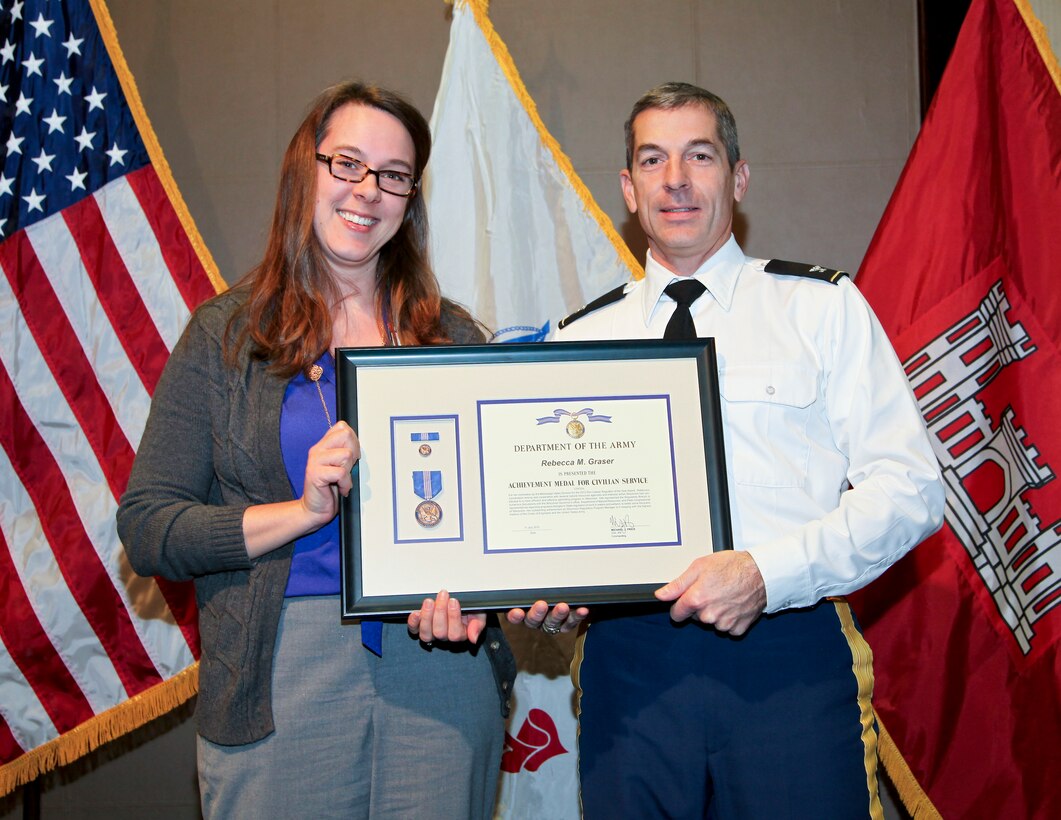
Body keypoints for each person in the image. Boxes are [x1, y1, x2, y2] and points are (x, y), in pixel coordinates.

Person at [511, 82, 945, 817]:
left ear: (737, 178)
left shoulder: (819, 307)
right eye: (652, 160)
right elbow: (548, 527)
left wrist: (765, 574)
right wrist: (541, 592)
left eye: (698, 156)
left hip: (788, 652)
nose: (674, 179)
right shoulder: (575, 341)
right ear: (628, 187)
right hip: (630, 668)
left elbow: (909, 491)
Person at [117, 81, 514, 819]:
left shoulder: (453, 337)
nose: (369, 191)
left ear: (410, 199)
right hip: (278, 671)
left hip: (440, 664)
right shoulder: (226, 335)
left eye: (394, 175)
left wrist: (480, 595)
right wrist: (297, 513)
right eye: (348, 164)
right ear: (307, 168)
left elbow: (499, 525)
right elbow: (148, 527)